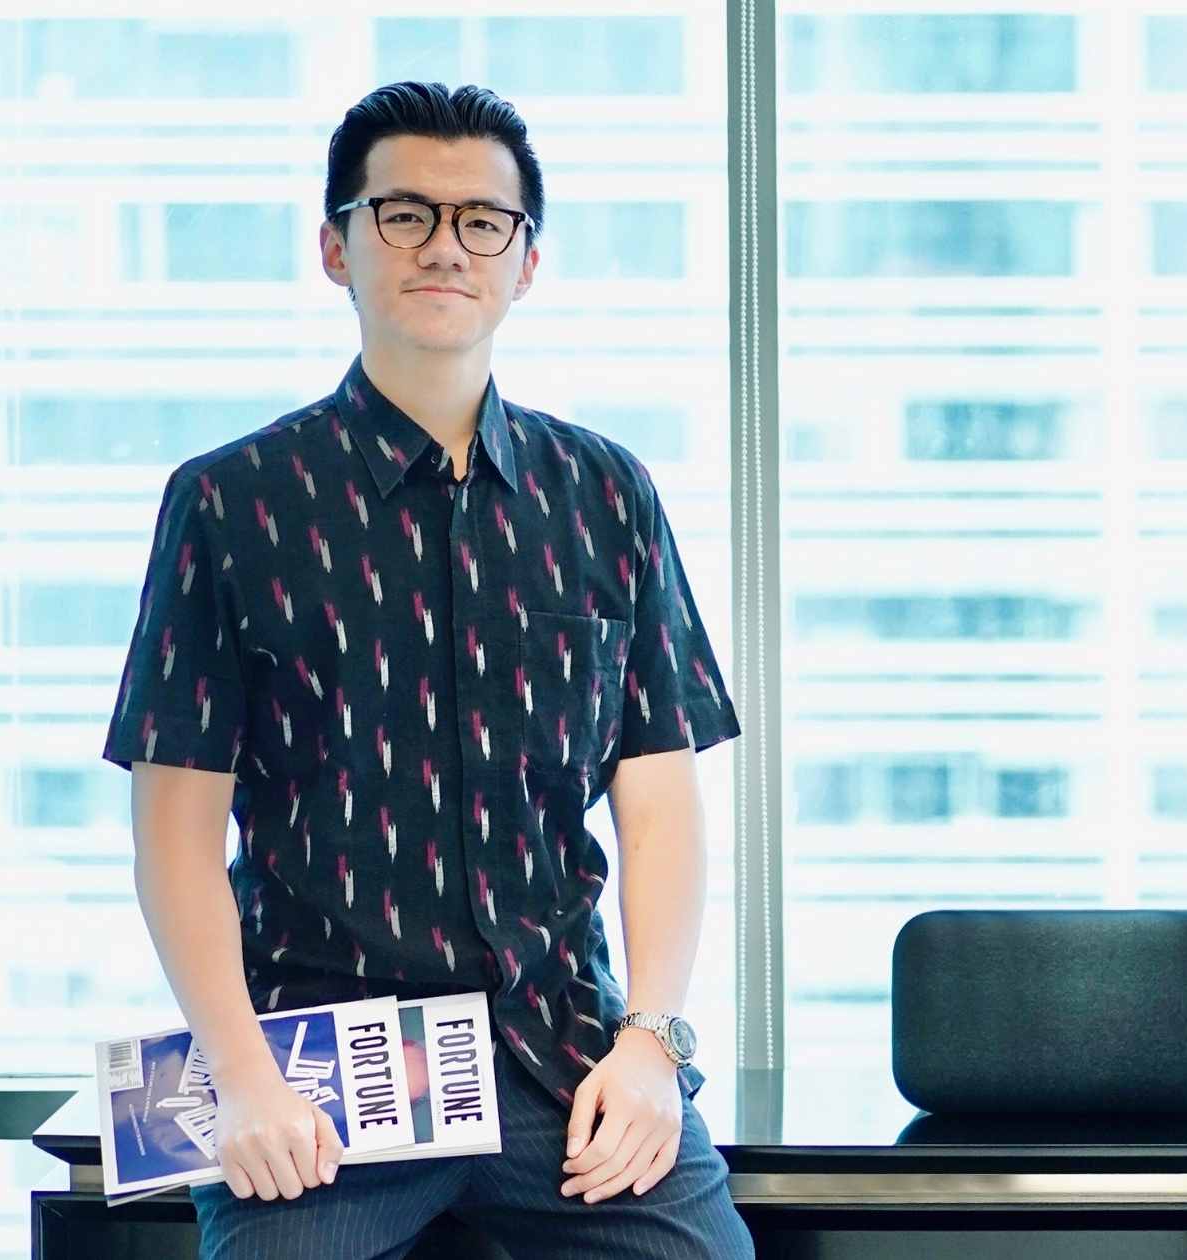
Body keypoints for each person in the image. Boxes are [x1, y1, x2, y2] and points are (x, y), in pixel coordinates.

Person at [103, 81, 754, 1259]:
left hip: (560, 1054)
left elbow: (659, 802)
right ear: (335, 248)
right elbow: (175, 834)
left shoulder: (605, 493)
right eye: (403, 214)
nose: (446, 246)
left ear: (526, 263)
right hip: (318, 1067)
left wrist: (652, 1043)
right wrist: (240, 1079)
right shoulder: (229, 502)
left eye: (482, 221)